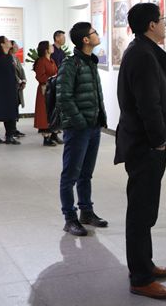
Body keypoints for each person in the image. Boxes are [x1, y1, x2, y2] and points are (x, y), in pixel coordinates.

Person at [114, 3, 166, 300]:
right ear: (151, 25)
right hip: (145, 146)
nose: (165, 24)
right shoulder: (143, 55)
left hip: (144, 144)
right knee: (141, 213)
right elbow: (148, 105)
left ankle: (145, 264)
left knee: (145, 210)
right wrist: (159, 141)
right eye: (162, 20)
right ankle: (141, 278)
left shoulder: (141, 51)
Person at [56, 22, 108, 237]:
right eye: (94, 32)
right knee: (70, 175)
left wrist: (98, 119)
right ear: (86, 40)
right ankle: (70, 218)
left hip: (93, 126)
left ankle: (86, 212)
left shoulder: (91, 62)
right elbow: (63, 97)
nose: (97, 35)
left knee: (86, 174)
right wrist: (79, 121)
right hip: (78, 128)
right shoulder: (70, 64)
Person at [33, 41, 59, 146]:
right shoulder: (41, 61)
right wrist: (52, 78)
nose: (52, 47)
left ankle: (53, 135)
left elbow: (56, 72)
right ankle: (46, 138)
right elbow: (40, 76)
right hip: (45, 90)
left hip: (52, 89)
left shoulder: (51, 60)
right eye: (50, 46)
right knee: (44, 113)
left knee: (53, 112)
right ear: (46, 50)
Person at [10, 40, 26, 138]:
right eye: (16, 46)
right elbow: (12, 72)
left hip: (18, 87)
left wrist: (24, 80)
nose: (17, 48)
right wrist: (19, 81)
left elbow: (21, 70)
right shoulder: (9, 58)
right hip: (13, 87)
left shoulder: (16, 58)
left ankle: (14, 129)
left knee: (16, 107)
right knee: (12, 109)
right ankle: (11, 130)